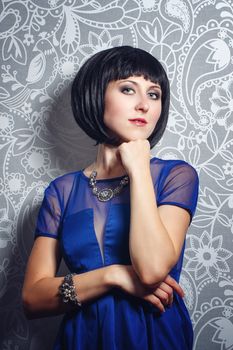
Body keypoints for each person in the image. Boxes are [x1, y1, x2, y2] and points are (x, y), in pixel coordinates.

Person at [22, 46, 199, 349]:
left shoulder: (176, 176)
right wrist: (114, 275)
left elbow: (152, 269)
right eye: (128, 89)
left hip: (154, 335)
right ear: (95, 95)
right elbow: (33, 299)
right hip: (83, 338)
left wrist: (140, 168)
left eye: (154, 94)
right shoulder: (62, 191)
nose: (144, 104)